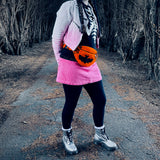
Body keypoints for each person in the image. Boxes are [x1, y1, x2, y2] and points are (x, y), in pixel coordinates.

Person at [52, 0, 118, 155]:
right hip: (70, 61)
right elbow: (56, 36)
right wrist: (60, 62)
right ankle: (67, 136)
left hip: (89, 62)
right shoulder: (69, 6)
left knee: (100, 99)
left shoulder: (91, 6)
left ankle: (100, 135)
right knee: (71, 102)